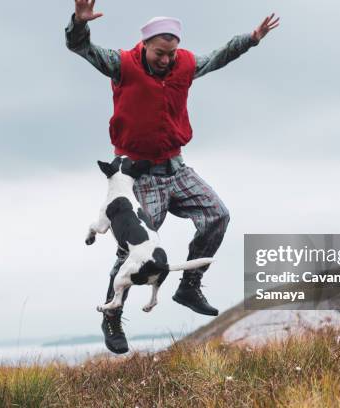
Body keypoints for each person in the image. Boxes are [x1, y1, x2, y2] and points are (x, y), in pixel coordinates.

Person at [65, 0, 279, 354]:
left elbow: (218, 56)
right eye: (160, 53)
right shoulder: (122, 65)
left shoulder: (185, 66)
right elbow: (80, 47)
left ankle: (189, 286)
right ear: (145, 45)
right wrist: (78, 23)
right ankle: (112, 316)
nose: (166, 60)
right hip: (139, 174)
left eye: (171, 53)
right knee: (131, 250)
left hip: (176, 167)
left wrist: (251, 39)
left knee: (217, 215)